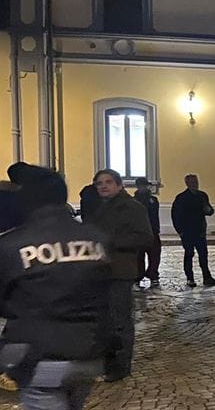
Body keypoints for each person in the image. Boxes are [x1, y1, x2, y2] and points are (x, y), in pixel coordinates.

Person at [0, 166, 111, 410]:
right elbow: (110, 297)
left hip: (38, 356)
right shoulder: (95, 238)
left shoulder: (12, 244)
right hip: (87, 353)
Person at [89, 168, 154, 382]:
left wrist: (111, 243)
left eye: (108, 182)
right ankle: (107, 363)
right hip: (100, 272)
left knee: (120, 321)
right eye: (99, 183)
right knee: (103, 321)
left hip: (120, 271)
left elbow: (145, 238)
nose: (104, 186)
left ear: (119, 185)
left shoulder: (132, 207)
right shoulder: (100, 208)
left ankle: (121, 365)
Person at [171, 174, 215, 288]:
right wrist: (180, 231)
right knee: (189, 254)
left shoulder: (202, 196)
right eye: (192, 182)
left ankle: (207, 277)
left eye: (196, 182)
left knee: (203, 254)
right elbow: (175, 215)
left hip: (200, 230)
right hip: (187, 231)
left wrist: (209, 210)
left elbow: (209, 210)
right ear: (187, 183)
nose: (195, 184)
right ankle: (190, 278)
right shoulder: (181, 198)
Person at [132, 177, 162, 287]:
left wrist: (156, 229)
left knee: (154, 255)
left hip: (152, 231)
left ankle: (153, 274)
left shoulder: (153, 200)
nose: (144, 187)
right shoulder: (133, 201)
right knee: (138, 256)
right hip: (138, 232)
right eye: (142, 185)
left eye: (145, 185)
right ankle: (138, 275)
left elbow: (155, 216)